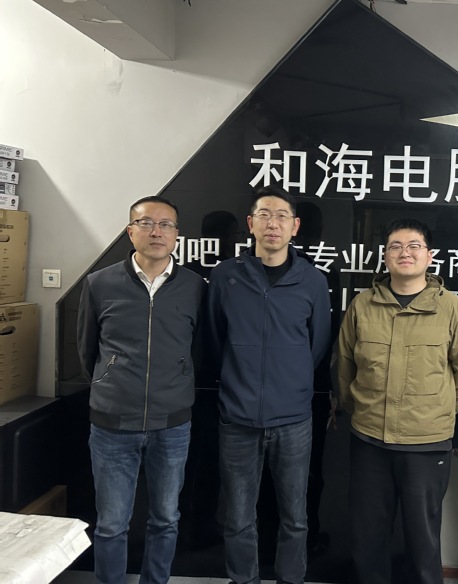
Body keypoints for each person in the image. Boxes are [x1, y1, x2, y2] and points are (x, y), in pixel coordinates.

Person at [338, 217, 458, 584]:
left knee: (423, 537)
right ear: (385, 256)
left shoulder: (451, 309)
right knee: (368, 535)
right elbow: (344, 365)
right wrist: (360, 410)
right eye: (396, 247)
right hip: (369, 439)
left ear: (430, 256)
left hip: (426, 443)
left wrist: (438, 412)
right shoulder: (363, 305)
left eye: (414, 246)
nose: (405, 253)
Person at [77, 195, 206, 584]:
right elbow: (87, 350)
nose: (157, 232)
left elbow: (201, 348)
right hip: (112, 424)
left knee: (166, 518)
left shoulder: (194, 286)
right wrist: (110, 382)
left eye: (166, 225)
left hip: (172, 424)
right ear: (130, 231)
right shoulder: (100, 283)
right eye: (147, 223)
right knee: (111, 523)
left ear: (177, 234)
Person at [206, 186, 331, 584]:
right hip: (237, 417)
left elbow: (318, 345)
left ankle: (290, 578)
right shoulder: (225, 276)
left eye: (281, 216)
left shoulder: (312, 280)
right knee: (238, 516)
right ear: (250, 223)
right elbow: (214, 340)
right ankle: (243, 579)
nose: (272, 223)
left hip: (293, 419)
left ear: (295, 226)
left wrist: (291, 382)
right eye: (264, 214)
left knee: (295, 515)